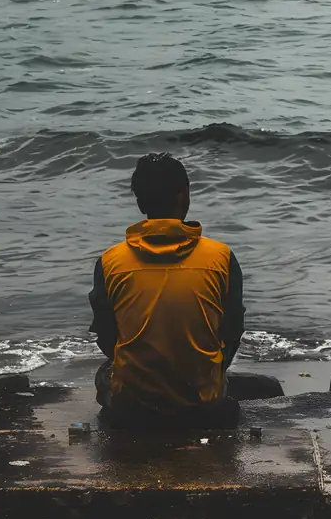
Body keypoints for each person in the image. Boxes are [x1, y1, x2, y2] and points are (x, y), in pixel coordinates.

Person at [89, 151, 246, 427]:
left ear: (139, 203)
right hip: (202, 405)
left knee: (104, 374)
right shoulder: (221, 257)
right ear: (184, 194)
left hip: (133, 408)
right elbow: (232, 332)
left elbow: (106, 338)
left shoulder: (110, 261)